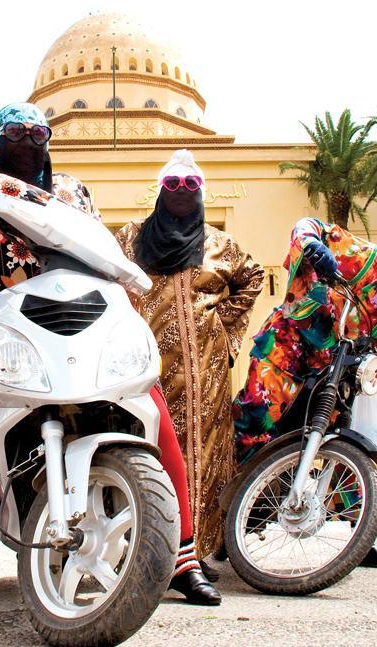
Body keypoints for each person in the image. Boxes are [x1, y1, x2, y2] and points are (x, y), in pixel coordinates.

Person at [0, 102, 221, 610]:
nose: (28, 142)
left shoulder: (73, 190)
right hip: (22, 325)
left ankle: (183, 559)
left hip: (87, 321)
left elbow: (96, 250)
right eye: (15, 132)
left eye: (38, 133)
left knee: (152, 413)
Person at [232, 218, 377, 568]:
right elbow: (308, 226)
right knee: (254, 419)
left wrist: (372, 394)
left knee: (355, 444)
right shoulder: (371, 262)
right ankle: (229, 521)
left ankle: (360, 536)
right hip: (290, 348)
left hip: (344, 376)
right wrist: (313, 247)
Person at [115, 149, 263, 580]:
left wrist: (225, 329)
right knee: (147, 451)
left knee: (204, 452)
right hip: (144, 368)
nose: (182, 192)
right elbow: (107, 279)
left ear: (201, 193)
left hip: (206, 371)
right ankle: (146, 550)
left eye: (191, 185)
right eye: (173, 184)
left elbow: (252, 278)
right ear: (161, 191)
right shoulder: (130, 239)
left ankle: (195, 552)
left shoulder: (219, 244)